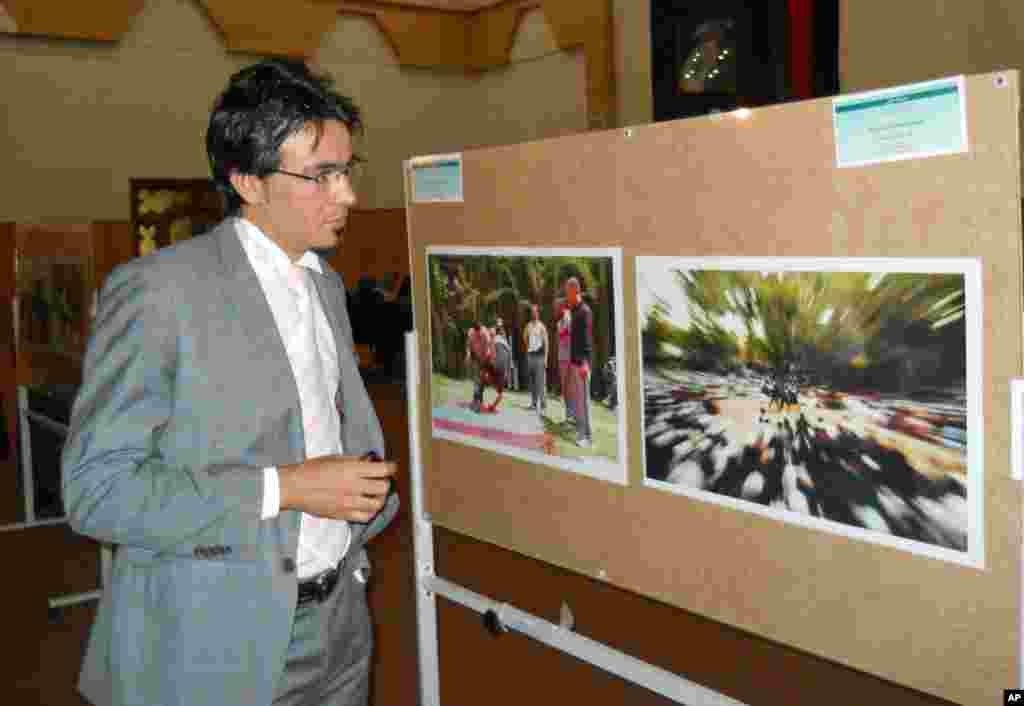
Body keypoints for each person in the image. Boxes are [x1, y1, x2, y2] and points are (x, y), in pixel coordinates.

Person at [61, 59, 399, 706]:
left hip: (342, 621)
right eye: (322, 175)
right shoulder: (160, 293)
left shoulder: (324, 285)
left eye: (347, 170)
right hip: (219, 642)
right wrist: (287, 489)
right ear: (249, 181)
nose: (348, 195)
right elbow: (96, 491)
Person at [565, 277, 593, 448]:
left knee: (584, 402)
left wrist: (584, 363)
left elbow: (587, 339)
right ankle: (581, 433)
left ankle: (588, 438)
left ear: (575, 290)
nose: (566, 296)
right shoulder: (574, 311)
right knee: (578, 402)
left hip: (582, 364)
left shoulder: (584, 311)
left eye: (568, 292)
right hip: (574, 362)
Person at [522, 303, 548, 415]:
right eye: (532, 312)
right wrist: (528, 347)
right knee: (532, 382)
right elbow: (524, 337)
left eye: (535, 312)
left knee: (540, 381)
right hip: (530, 356)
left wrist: (546, 357)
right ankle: (533, 403)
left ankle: (543, 404)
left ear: (538, 313)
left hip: (540, 357)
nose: (534, 313)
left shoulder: (541, 326)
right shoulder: (528, 326)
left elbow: (546, 343)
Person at [555, 301, 575, 423]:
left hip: (571, 357)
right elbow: (562, 335)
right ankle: (568, 414)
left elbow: (567, 333)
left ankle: (573, 414)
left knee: (572, 386)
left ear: (563, 306)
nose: (556, 309)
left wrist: (565, 332)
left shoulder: (569, 316)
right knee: (565, 387)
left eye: (558, 307)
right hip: (562, 357)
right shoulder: (559, 323)